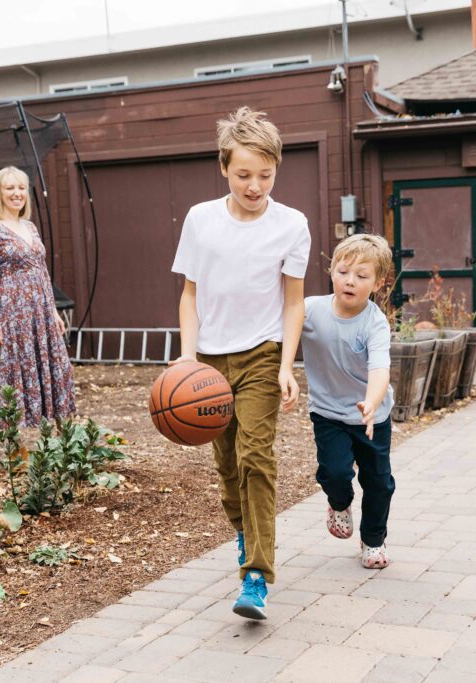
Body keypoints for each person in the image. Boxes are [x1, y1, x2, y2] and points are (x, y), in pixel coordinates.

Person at [171, 107, 310, 620]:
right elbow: (190, 294)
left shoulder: (291, 224)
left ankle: (256, 576)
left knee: (257, 457)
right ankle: (244, 533)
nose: (256, 186)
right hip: (208, 360)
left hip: (261, 355)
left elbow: (293, 301)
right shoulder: (200, 220)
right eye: (245, 174)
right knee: (227, 466)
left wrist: (285, 365)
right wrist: (188, 357)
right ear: (224, 167)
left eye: (266, 175)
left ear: (276, 169)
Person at [301, 234, 395, 569]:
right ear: (331, 271)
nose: (350, 281)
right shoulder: (311, 310)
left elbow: (380, 369)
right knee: (336, 472)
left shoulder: (375, 323)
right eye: (343, 272)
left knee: (379, 483)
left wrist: (371, 402)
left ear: (379, 283)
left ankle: (373, 540)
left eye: (362, 275)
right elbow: (278, 332)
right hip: (328, 412)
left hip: (372, 416)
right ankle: (339, 503)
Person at [0, 166, 76, 429]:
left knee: (57, 368)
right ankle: (16, 447)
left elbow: (41, 271)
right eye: (10, 188)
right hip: (12, 313)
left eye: (20, 188)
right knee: (13, 372)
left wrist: (52, 311)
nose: (16, 193)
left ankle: (62, 440)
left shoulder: (29, 226)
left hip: (40, 312)